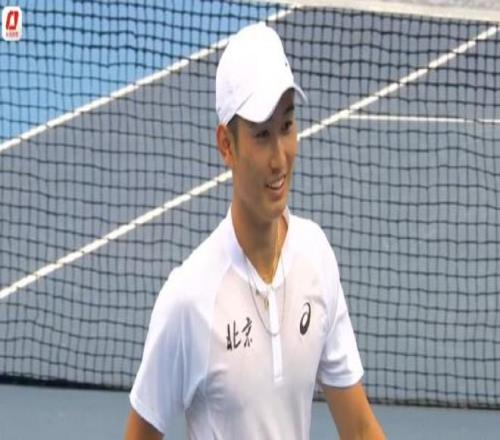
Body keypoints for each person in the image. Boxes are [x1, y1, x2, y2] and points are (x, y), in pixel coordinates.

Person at [124, 23, 385, 440]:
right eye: (262, 135)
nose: (280, 158)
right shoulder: (189, 299)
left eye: (287, 126)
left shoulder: (315, 257)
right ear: (227, 145)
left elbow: (359, 430)